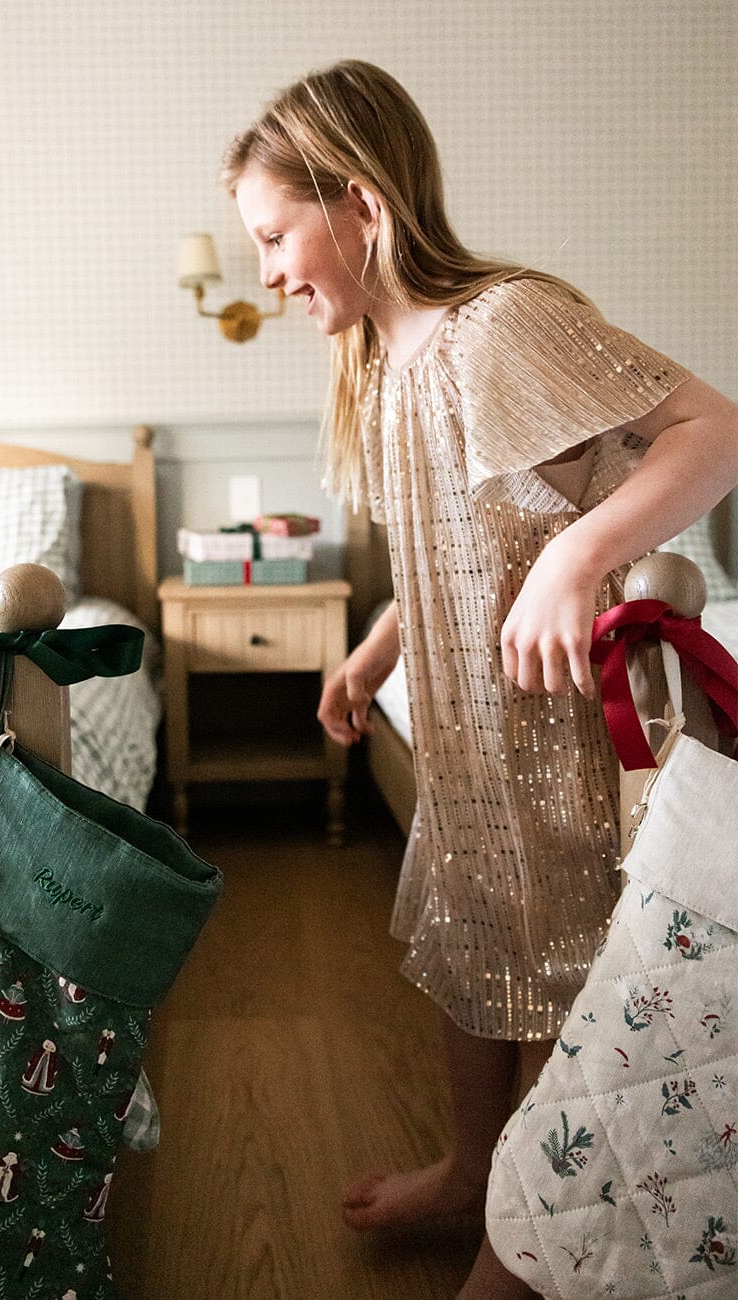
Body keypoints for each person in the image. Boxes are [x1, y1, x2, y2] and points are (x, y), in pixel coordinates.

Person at [223, 60, 738, 1298]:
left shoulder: (495, 325)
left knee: (573, 952)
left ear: (358, 203)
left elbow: (712, 429)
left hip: (560, 718)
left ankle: (539, 1238)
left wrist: (580, 555)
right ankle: (471, 1169)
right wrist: (377, 648)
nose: (268, 272)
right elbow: (458, 537)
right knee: (475, 928)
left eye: (276, 234)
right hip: (466, 724)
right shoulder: (381, 365)